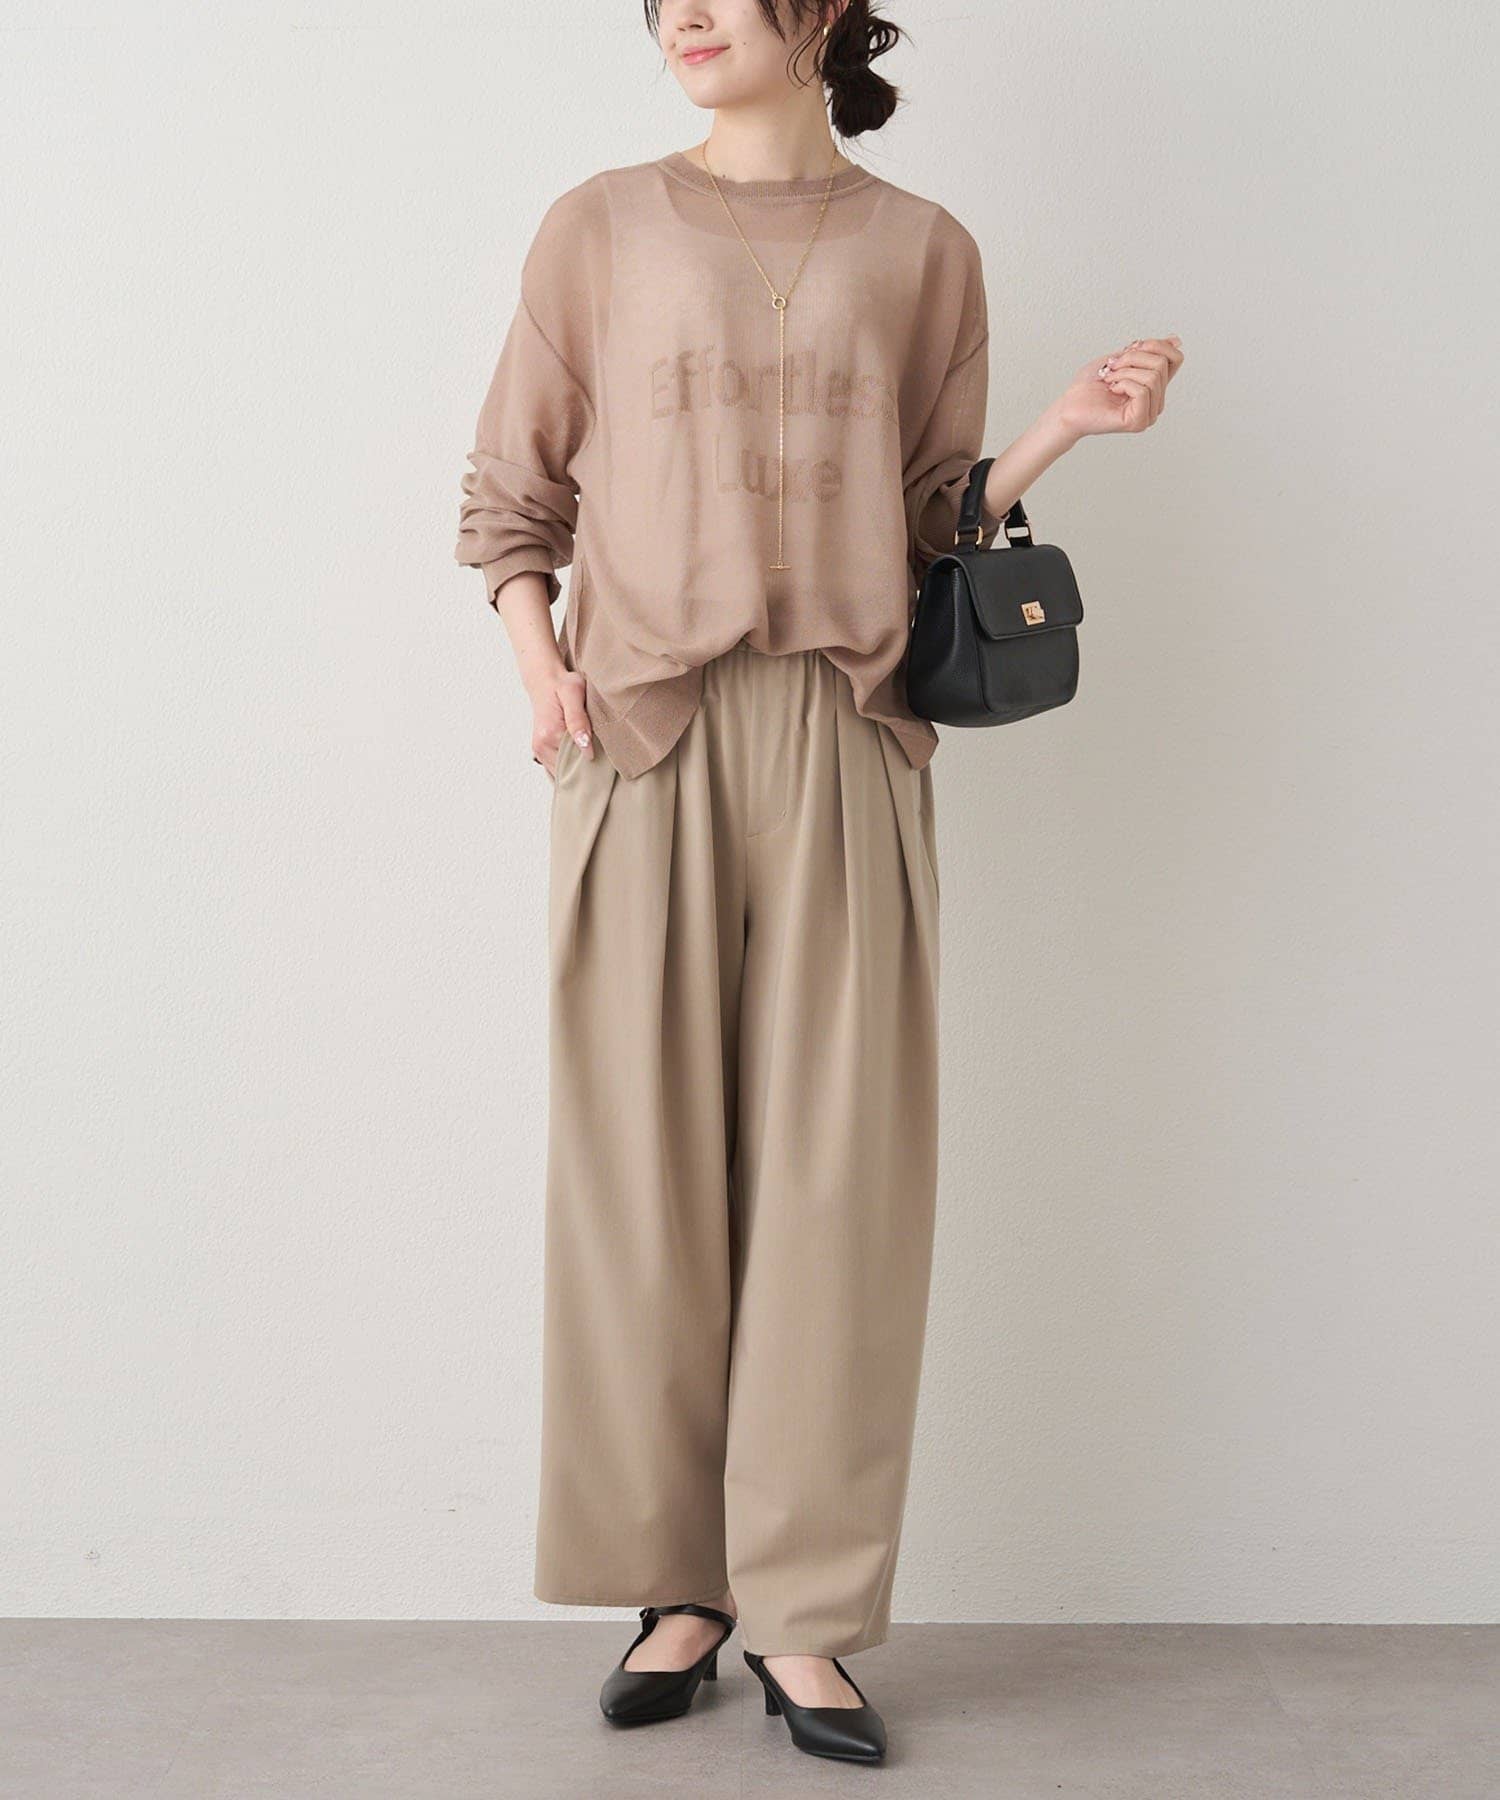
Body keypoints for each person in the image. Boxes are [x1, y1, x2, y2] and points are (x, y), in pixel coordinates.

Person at [453, 0, 1183, 1766]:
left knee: (838, 1184)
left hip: (851, 735)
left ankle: (802, 1611)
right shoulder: (599, 225)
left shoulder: (924, 249)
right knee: (640, 1175)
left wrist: (1060, 432)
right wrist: (539, 669)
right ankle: (677, 1587)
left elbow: (930, 513)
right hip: (642, 731)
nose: (686, 16)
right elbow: (512, 490)